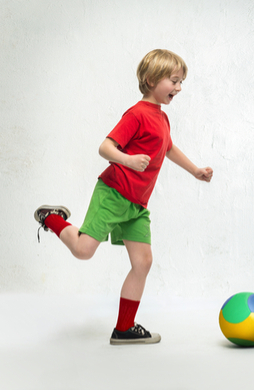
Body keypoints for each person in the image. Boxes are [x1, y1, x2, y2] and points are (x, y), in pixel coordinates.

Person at [34, 49, 213, 345]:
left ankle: (124, 328)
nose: (179, 88)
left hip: (137, 204)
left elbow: (168, 148)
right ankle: (51, 218)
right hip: (114, 193)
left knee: (142, 262)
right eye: (174, 80)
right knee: (83, 250)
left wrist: (195, 170)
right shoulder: (137, 114)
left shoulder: (163, 119)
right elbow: (105, 147)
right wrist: (128, 161)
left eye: (182, 82)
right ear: (151, 79)